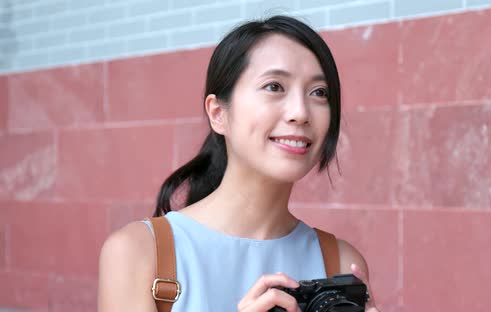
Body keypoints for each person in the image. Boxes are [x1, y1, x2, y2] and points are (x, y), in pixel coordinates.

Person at [98, 15, 379, 312]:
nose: (300, 112)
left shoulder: (341, 262)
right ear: (218, 113)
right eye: (274, 86)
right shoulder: (138, 253)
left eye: (319, 93)